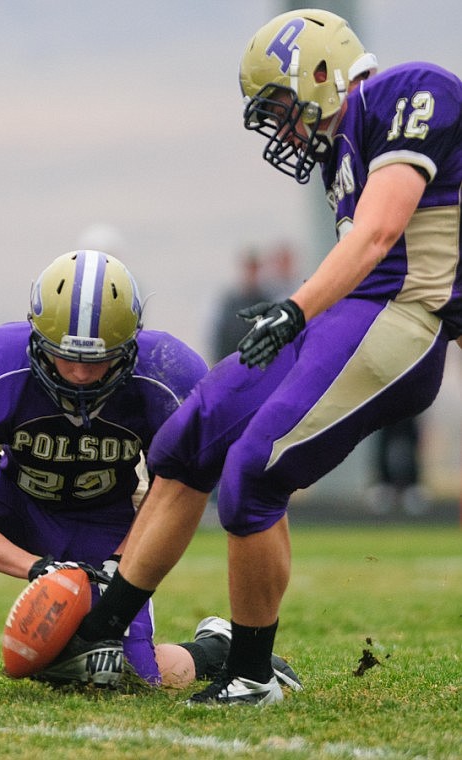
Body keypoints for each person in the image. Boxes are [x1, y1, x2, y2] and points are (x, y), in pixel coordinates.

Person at [40, 9, 462, 706]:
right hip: (344, 314)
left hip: (398, 318)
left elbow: (382, 233)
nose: (282, 127)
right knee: (188, 439)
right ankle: (102, 633)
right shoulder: (341, 147)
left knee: (254, 473)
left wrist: (295, 307)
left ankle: (253, 673)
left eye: (281, 106)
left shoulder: (406, 93)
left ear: (322, 73)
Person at [0, 250, 301, 695]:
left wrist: (121, 564)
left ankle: (215, 647)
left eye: (99, 360)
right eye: (67, 357)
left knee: (124, 677)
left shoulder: (166, 377)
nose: (81, 374)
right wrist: (38, 569)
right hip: (14, 501)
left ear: (129, 347)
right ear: (37, 339)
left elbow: (172, 495)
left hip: (103, 529)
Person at [211, 248, 271, 364]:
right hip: (233, 365)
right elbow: (220, 338)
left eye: (255, 269)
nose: (252, 273)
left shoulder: (268, 303)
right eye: (249, 268)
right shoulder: (230, 304)